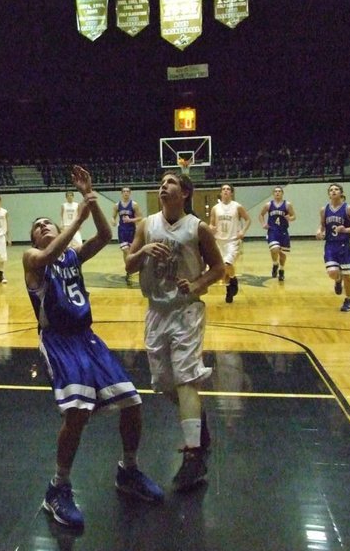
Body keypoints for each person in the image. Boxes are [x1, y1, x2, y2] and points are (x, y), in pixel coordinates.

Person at [24, 165, 164, 530]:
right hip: (59, 341)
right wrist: (74, 223)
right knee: (78, 413)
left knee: (132, 402)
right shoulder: (33, 260)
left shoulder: (72, 255)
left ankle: (128, 471)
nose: (42, 227)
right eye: (37, 227)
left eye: (46, 223)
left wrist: (91, 198)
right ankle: (57, 487)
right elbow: (51, 252)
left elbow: (104, 234)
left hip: (87, 337)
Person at [125, 171, 224, 492]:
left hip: (185, 310)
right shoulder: (146, 225)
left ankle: (195, 454)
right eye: (161, 182)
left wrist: (196, 284)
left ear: (184, 193)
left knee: (185, 377)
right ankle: (200, 426)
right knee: (164, 382)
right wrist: (142, 253)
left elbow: (220, 269)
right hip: (156, 310)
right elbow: (128, 264)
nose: (163, 185)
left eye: (170, 182)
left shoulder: (198, 228)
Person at [315, 183, 350, 312]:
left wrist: (346, 229)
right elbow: (322, 225)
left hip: (345, 245)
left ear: (341, 193)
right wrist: (319, 231)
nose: (333, 191)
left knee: (347, 275)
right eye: (331, 190)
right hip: (330, 245)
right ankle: (337, 280)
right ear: (328, 194)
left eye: (336, 189)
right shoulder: (324, 209)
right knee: (332, 273)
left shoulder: (349, 208)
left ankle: (348, 300)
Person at [208, 184, 251, 303]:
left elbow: (248, 219)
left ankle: (233, 280)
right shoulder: (215, 208)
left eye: (228, 189)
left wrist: (243, 231)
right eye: (223, 189)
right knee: (222, 269)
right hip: (219, 241)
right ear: (220, 193)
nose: (226, 191)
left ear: (231, 193)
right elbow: (211, 223)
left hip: (233, 240)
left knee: (227, 264)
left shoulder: (237, 206)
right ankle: (230, 285)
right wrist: (211, 228)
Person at [258, 186, 296, 281]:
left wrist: (290, 218)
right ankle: (275, 263)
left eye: (279, 191)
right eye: (275, 191)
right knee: (274, 249)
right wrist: (263, 224)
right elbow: (261, 214)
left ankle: (281, 270)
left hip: (283, 231)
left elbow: (294, 216)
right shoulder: (268, 205)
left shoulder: (287, 205)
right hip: (272, 230)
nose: (277, 193)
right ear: (273, 194)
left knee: (282, 253)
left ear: (282, 193)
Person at [111, 187, 142, 284]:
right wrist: (113, 221)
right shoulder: (117, 205)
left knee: (131, 251)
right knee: (126, 251)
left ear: (130, 193)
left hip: (132, 230)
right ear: (121, 193)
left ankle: (132, 267)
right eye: (124, 191)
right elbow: (113, 216)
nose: (126, 193)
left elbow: (140, 217)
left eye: (128, 191)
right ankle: (129, 270)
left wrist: (131, 220)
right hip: (122, 231)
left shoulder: (134, 205)